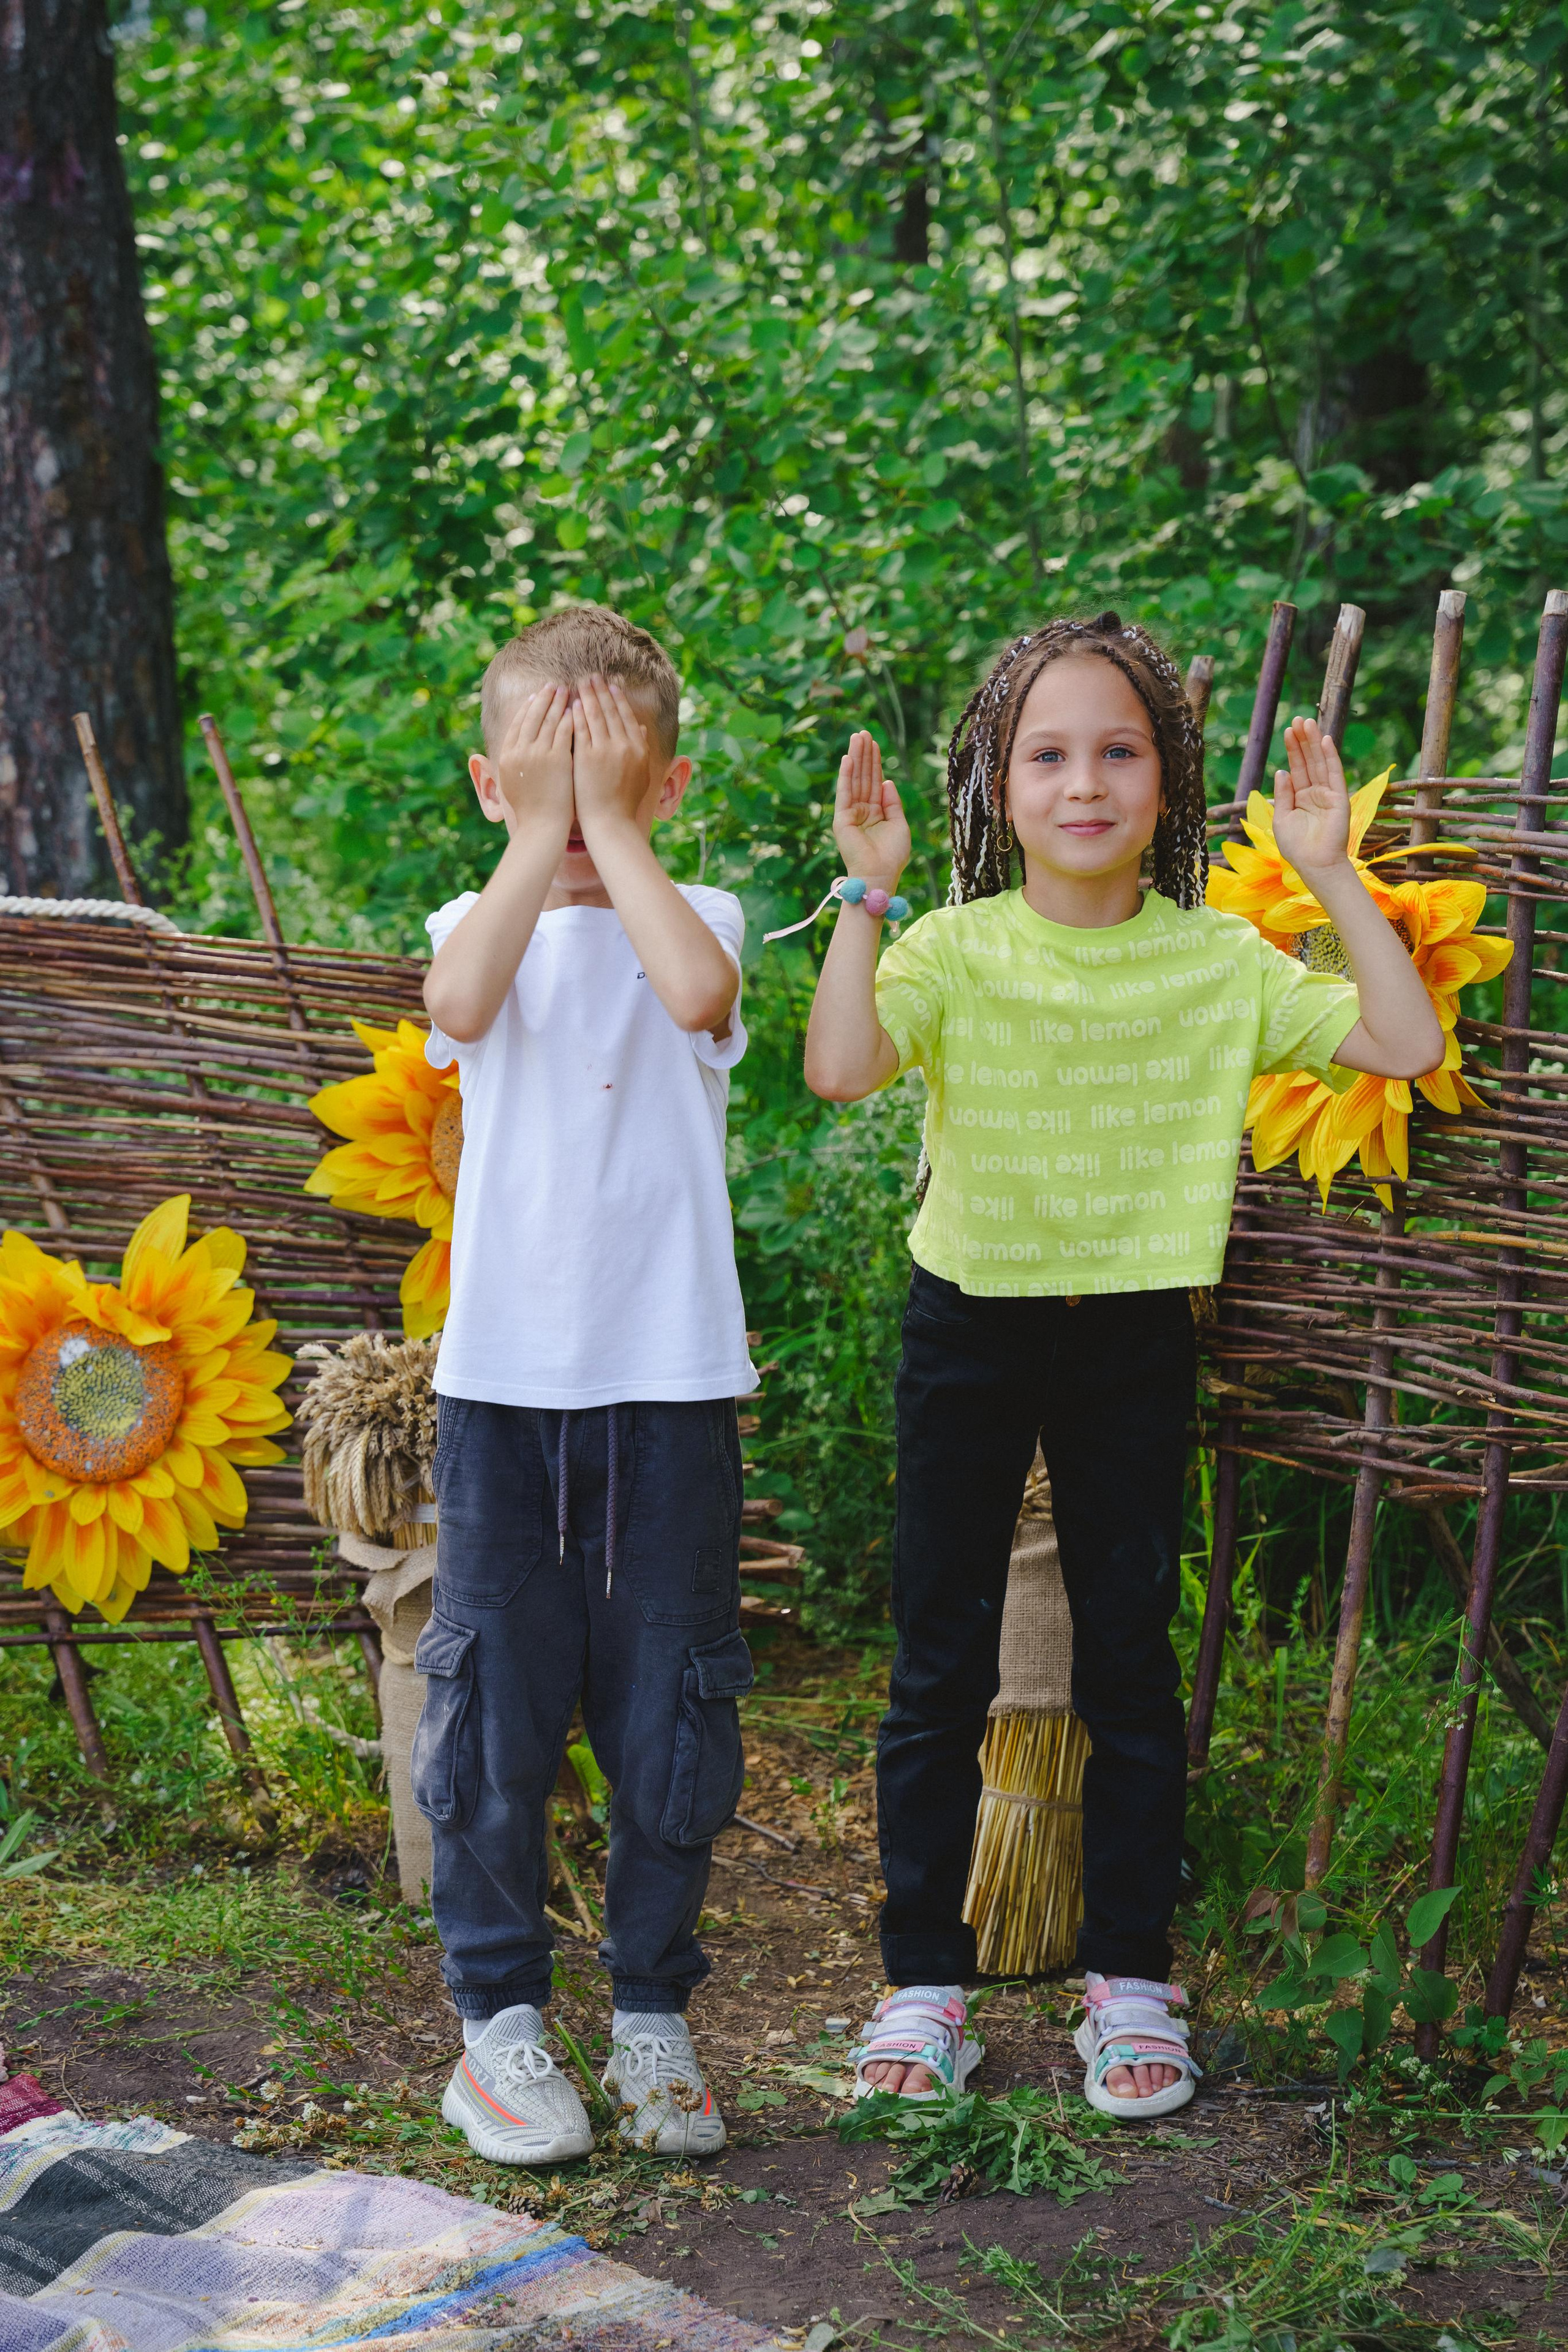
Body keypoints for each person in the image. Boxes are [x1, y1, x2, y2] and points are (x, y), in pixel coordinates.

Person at [802, 611, 1442, 2121]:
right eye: (1045, 755)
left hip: (1138, 1328)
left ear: (1166, 783)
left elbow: (1402, 1043)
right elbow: (835, 1068)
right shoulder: (950, 947)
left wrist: (1331, 870)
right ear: (994, 785)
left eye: (1116, 751)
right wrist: (863, 897)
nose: (1081, 782)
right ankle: (921, 1983)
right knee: (936, 1659)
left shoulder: (1221, 963)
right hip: (968, 1317)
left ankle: (1130, 1980)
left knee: (1127, 1659)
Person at [415, 605, 756, 2165]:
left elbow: (691, 998)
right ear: (491, 784)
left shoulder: (708, 917)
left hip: (668, 1390)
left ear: (663, 786)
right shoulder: (465, 924)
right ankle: (497, 2028)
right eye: (535, 779)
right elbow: (461, 1008)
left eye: (604, 771)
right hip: (503, 1392)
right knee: (494, 1709)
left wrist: (608, 830)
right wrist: (543, 828)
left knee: (669, 1710)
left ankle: (648, 2016)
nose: (568, 808)